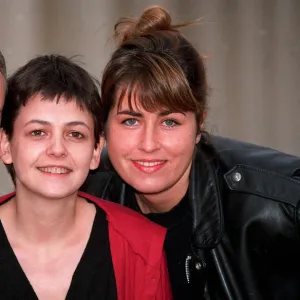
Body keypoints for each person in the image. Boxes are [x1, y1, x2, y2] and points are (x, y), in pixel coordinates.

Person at [83, 5, 300, 300]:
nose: (148, 143)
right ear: (104, 125)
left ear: (200, 126)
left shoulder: (277, 207)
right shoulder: (85, 196)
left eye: (169, 121)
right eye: (131, 120)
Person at [0, 54, 172, 300]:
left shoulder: (142, 248)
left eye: (75, 134)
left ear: (95, 150)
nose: (57, 149)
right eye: (38, 132)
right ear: (6, 144)